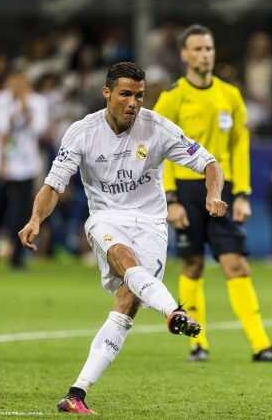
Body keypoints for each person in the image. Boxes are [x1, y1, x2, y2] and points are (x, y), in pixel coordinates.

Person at [17, 61, 226, 415]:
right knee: (123, 257)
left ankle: (76, 394)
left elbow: (210, 163)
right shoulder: (82, 132)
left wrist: (213, 194)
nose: (133, 103)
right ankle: (173, 311)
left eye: (140, 96)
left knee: (127, 304)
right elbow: (54, 185)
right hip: (106, 218)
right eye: (126, 94)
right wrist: (36, 218)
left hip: (151, 224)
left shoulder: (157, 128)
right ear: (107, 93)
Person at [153, 24, 272, 363]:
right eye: (198, 49)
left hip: (223, 188)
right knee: (193, 265)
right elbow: (158, 152)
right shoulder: (172, 98)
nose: (205, 55)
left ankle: (261, 345)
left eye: (209, 49)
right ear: (185, 54)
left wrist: (242, 193)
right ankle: (197, 342)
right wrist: (169, 199)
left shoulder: (230, 95)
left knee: (237, 265)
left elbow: (240, 147)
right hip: (185, 189)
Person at [0, 70, 49, 269]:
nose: (17, 84)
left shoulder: (38, 102)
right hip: (0, 166)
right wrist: (3, 162)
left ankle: (17, 259)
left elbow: (39, 129)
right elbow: (1, 129)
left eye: (20, 81)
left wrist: (25, 107)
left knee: (21, 215)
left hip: (26, 166)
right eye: (13, 80)